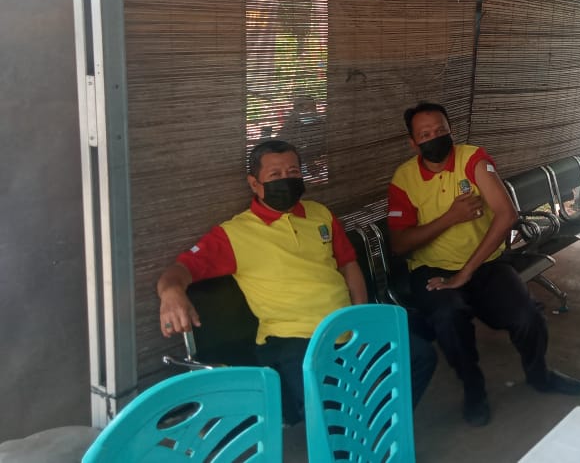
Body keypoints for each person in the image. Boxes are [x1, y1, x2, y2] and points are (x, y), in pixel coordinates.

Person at [156, 139, 438, 425]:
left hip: (345, 328)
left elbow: (348, 264)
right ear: (254, 184)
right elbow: (180, 270)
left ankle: (379, 430)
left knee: (419, 356)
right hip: (293, 340)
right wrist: (171, 292)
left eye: (293, 172)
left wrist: (359, 316)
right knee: (332, 410)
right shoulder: (234, 234)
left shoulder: (320, 214)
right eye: (275, 175)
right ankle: (353, 438)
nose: (286, 179)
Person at [387, 101, 580, 427]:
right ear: (413, 143)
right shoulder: (404, 179)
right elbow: (400, 243)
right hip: (432, 271)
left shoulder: (472, 159)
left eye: (440, 130)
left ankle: (540, 374)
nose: (434, 138)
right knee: (449, 318)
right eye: (425, 134)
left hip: (485, 264)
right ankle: (473, 390)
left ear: (450, 130)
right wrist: (451, 217)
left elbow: (507, 214)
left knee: (528, 317)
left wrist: (466, 272)